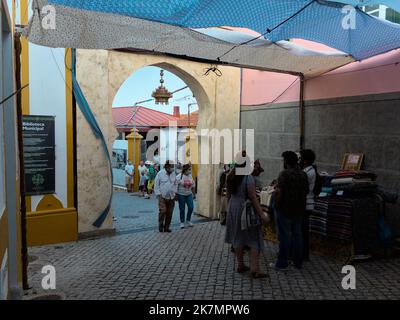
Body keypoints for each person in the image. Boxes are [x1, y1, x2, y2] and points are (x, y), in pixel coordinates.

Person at [225, 151, 269, 279]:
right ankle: (255, 269)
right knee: (254, 238)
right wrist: (261, 214)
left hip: (233, 206)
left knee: (238, 236)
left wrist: (230, 209)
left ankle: (240, 265)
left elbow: (228, 194)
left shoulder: (231, 175)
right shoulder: (247, 177)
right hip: (245, 208)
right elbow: (253, 197)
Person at [272, 151, 309, 271]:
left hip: (285, 208)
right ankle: (298, 262)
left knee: (285, 236)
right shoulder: (303, 174)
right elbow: (307, 191)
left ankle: (282, 263)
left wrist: (275, 205)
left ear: (286, 162)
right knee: (298, 235)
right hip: (299, 209)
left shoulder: (284, 174)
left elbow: (279, 192)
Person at [299, 149, 317, 261]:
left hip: (306, 203)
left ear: (305, 160)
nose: (299, 160)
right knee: (302, 230)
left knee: (303, 230)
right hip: (306, 203)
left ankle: (304, 254)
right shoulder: (307, 170)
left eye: (301, 158)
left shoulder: (307, 173)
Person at [154, 160, 178, 233]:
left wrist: (174, 192)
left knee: (170, 212)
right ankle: (160, 225)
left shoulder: (173, 173)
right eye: (171, 167)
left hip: (171, 196)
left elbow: (175, 183)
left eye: (172, 166)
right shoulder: (160, 174)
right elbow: (156, 185)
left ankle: (167, 227)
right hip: (162, 196)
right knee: (163, 211)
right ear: (167, 167)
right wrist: (158, 194)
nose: (172, 168)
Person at [176, 163, 196, 229]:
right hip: (181, 194)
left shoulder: (190, 176)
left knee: (191, 207)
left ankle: (188, 220)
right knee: (182, 209)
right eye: (189, 169)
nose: (190, 171)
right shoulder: (179, 176)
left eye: (190, 169)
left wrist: (194, 194)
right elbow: (175, 185)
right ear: (185, 170)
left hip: (189, 194)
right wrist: (175, 194)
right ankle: (182, 222)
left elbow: (193, 185)